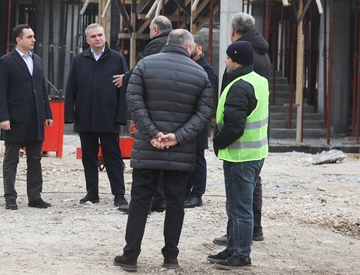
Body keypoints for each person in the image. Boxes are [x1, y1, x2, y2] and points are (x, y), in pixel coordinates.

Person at [113, 29, 213, 272]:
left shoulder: (144, 65)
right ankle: (170, 257)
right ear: (188, 47)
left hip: (148, 147)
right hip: (180, 151)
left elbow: (133, 101)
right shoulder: (200, 74)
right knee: (175, 203)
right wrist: (177, 137)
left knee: (140, 201)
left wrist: (152, 133)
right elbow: (204, 114)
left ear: (168, 42)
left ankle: (131, 255)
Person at [207, 40, 269, 269]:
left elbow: (234, 127)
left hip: (240, 156)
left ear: (237, 62)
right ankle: (232, 248)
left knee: (240, 208)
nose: (225, 61)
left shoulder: (239, 86)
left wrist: (217, 142)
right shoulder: (259, 81)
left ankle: (241, 255)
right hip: (255, 153)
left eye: (228, 58)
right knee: (236, 206)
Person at [113, 15, 172, 213]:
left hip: (153, 106)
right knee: (163, 154)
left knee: (147, 156)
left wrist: (126, 78)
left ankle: (143, 203)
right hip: (169, 107)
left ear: (155, 30)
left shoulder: (155, 45)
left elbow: (143, 68)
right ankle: (160, 199)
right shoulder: (177, 46)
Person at [64, 23, 128, 207]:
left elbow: (124, 90)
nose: (98, 38)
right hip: (86, 117)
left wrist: (121, 116)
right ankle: (92, 193)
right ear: (87, 40)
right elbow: (71, 88)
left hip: (109, 117)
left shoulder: (117, 59)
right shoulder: (79, 60)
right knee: (88, 157)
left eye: (100, 35)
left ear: (104, 36)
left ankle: (119, 194)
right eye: (93, 36)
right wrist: (69, 114)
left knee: (113, 157)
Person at [0, 24, 53, 211]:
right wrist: (3, 117)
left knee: (35, 159)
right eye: (29, 37)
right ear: (18, 40)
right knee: (11, 160)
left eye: (33, 36)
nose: (34, 40)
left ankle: (35, 197)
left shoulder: (37, 60)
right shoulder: (6, 61)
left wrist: (47, 113)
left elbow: (42, 88)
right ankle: (10, 197)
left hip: (35, 117)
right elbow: (0, 92)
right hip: (15, 118)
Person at [184, 35, 217, 209]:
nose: (188, 48)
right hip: (189, 120)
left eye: (192, 45)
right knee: (189, 157)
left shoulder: (206, 70)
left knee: (197, 157)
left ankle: (197, 194)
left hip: (199, 121)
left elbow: (207, 100)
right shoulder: (192, 66)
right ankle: (187, 192)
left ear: (200, 48)